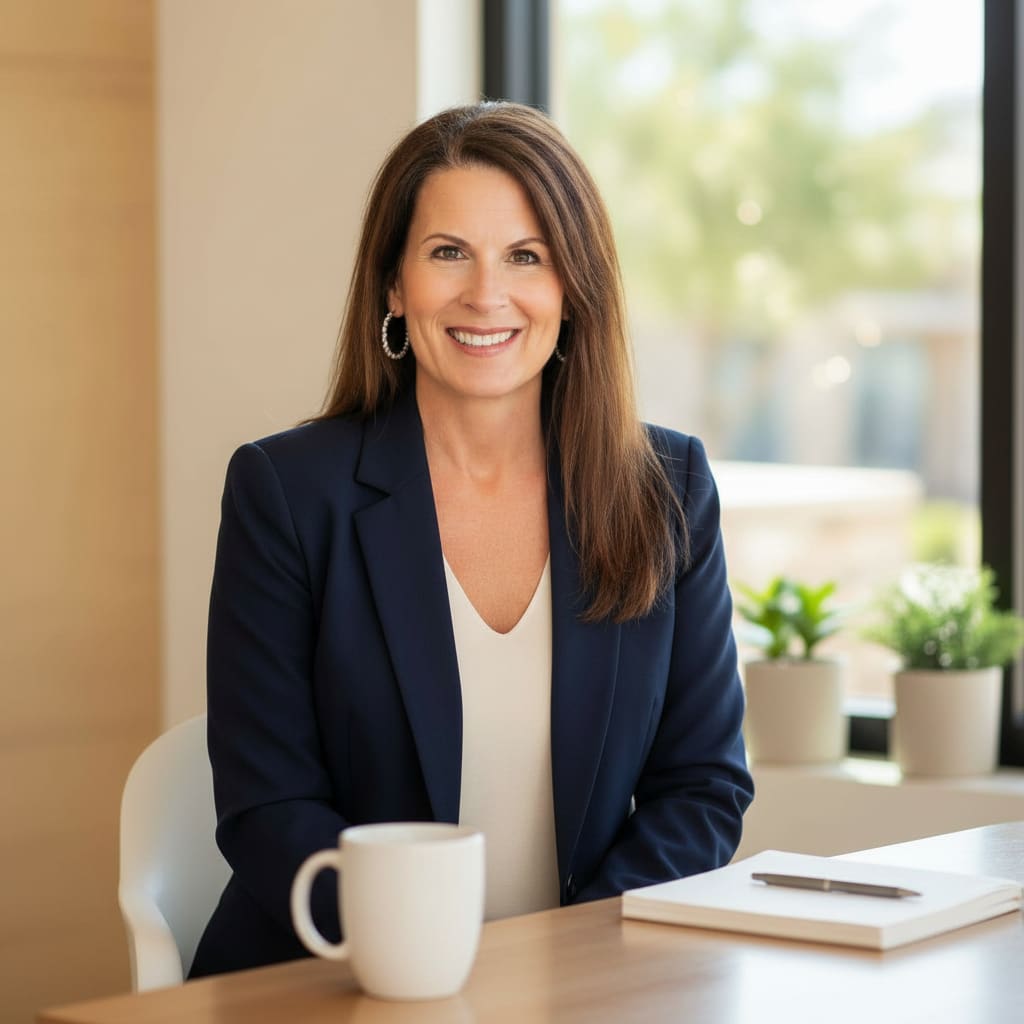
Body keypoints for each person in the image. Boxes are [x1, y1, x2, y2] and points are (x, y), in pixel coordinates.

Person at [189, 101, 753, 978]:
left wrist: (565, 964)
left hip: (582, 987)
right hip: (339, 983)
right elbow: (269, 805)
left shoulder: (666, 489)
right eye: (448, 252)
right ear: (393, 283)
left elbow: (703, 789)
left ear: (573, 291)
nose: (486, 295)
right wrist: (424, 956)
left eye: (525, 256)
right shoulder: (287, 493)